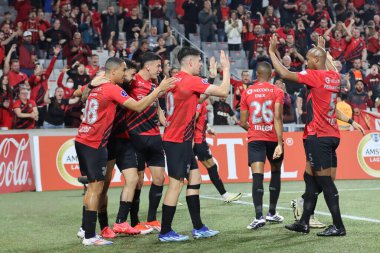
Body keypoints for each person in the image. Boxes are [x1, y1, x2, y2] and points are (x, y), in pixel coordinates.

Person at [269, 35, 363, 236]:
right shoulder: (335, 77)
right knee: (310, 179)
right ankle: (304, 222)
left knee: (325, 182)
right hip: (332, 134)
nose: (306, 61)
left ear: (317, 61)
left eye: (309, 58)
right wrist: (323, 49)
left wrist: (271, 52)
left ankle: (338, 226)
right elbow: (331, 68)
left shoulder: (315, 76)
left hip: (317, 135)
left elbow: (284, 73)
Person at [74, 57, 175, 246]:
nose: (128, 76)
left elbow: (81, 95)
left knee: (126, 180)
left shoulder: (105, 84)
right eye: (125, 71)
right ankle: (90, 231)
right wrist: (159, 91)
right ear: (114, 72)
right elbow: (137, 106)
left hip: (98, 139)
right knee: (98, 187)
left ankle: (112, 224)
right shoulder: (110, 86)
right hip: (100, 141)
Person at [158, 48, 231, 242]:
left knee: (195, 179)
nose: (201, 64)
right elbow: (224, 91)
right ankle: (165, 231)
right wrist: (227, 69)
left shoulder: (178, 81)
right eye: (199, 61)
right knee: (175, 185)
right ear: (190, 63)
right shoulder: (190, 80)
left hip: (179, 138)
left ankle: (198, 227)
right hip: (178, 140)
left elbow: (195, 99)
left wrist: (212, 78)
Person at [240, 62, 285, 230]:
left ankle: (259, 216)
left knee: (257, 176)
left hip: (256, 139)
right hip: (274, 138)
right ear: (271, 75)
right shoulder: (277, 91)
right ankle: (272, 212)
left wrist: (254, 129)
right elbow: (278, 117)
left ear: (256, 74)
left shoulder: (247, 92)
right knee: (275, 172)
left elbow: (243, 121)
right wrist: (280, 143)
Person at [193, 57, 242, 203]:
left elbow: (197, 120)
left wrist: (207, 128)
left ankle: (224, 194)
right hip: (197, 141)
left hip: (197, 138)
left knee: (190, 170)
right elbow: (192, 120)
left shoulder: (199, 101)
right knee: (210, 167)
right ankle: (225, 195)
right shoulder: (198, 102)